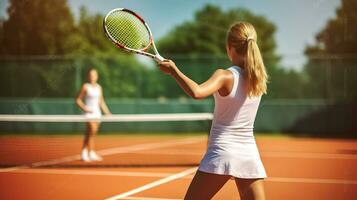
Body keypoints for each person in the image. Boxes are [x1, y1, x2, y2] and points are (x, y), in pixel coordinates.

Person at [159, 22, 267, 200]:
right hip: (249, 154)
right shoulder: (258, 78)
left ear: (229, 47)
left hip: (222, 152)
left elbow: (197, 92)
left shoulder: (224, 75)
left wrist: (174, 71)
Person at [76, 68, 111, 162]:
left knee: (91, 134)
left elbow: (101, 101)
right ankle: (87, 153)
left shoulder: (99, 87)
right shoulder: (85, 86)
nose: (92, 77)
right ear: (88, 76)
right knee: (92, 130)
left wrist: (107, 112)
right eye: (90, 75)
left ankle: (88, 152)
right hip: (89, 114)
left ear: (97, 77)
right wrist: (85, 108)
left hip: (97, 114)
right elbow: (78, 100)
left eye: (94, 75)